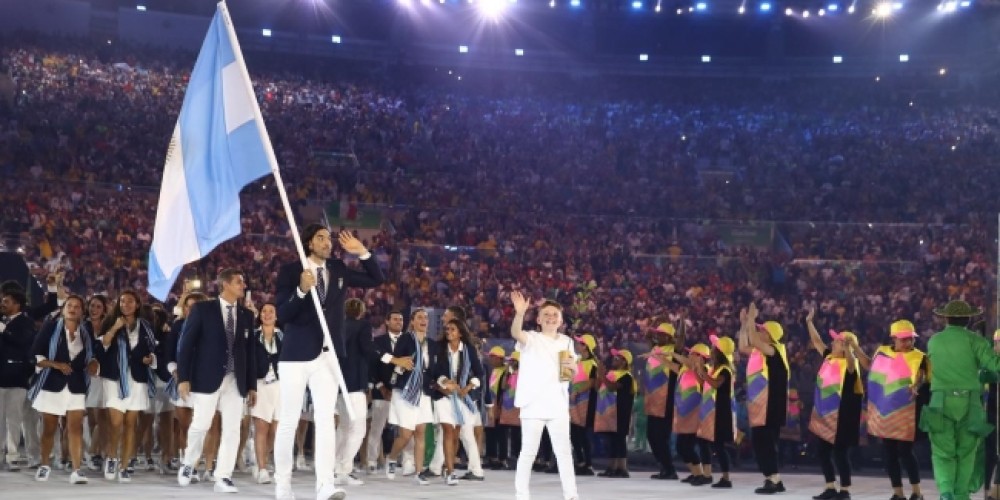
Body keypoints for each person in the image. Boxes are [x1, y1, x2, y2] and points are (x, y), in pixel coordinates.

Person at [273, 224, 384, 500]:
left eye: (328, 238)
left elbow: (376, 279)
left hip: (329, 355)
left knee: (326, 420)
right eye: (320, 238)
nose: (327, 242)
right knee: (288, 420)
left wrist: (363, 253)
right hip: (296, 355)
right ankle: (283, 486)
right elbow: (283, 314)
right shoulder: (291, 271)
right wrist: (300, 290)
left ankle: (325, 486)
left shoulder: (338, 268)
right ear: (309, 243)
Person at [175, 268, 258, 494]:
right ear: (225, 284)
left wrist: (251, 385)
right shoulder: (202, 309)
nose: (243, 285)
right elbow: (186, 345)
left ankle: (223, 476)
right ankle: (188, 464)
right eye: (239, 281)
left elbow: (249, 352)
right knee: (201, 424)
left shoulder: (247, 315)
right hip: (206, 377)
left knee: (232, 429)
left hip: (235, 379)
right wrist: (184, 378)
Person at [921, 300, 1000, 500]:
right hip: (970, 404)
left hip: (940, 402)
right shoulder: (976, 341)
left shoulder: (934, 341)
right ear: (968, 319)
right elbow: (996, 367)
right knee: (967, 454)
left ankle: (946, 492)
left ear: (946, 318)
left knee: (942, 452)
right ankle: (961, 495)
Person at [510, 291, 579, 500]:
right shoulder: (531, 338)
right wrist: (519, 314)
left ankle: (571, 495)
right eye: (546, 314)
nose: (551, 318)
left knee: (564, 453)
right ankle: (521, 496)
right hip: (533, 404)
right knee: (528, 452)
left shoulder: (567, 341)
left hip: (557, 404)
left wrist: (574, 368)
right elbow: (516, 333)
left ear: (561, 320)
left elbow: (571, 371)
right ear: (538, 319)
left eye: (555, 315)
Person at [28, 295, 99, 484]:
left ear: (82, 312)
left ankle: (77, 470)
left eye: (77, 306)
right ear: (63, 308)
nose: (73, 309)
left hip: (76, 385)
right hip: (51, 384)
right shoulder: (50, 327)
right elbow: (34, 354)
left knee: (75, 428)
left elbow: (92, 355)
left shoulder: (86, 332)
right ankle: (44, 465)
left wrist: (93, 363)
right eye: (69, 305)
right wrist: (56, 364)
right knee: (49, 429)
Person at [96, 290, 157, 483]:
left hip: (137, 378)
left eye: (130, 301)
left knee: (131, 423)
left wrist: (150, 359)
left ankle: (124, 465)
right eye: (122, 301)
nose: (125, 304)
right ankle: (112, 458)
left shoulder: (145, 326)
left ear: (137, 304)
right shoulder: (110, 321)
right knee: (115, 423)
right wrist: (115, 328)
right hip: (114, 378)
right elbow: (102, 346)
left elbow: (153, 350)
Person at [805, 312, 866, 500]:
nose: (832, 343)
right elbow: (817, 342)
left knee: (840, 453)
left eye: (837, 342)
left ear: (846, 345)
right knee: (822, 451)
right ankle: (830, 487)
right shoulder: (829, 358)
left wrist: (848, 348)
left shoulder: (851, 363)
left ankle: (845, 490)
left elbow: (849, 364)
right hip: (824, 414)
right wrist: (809, 322)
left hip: (842, 416)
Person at [867, 319, 928, 500]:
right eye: (903, 339)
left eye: (910, 339)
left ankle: (917, 492)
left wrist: (916, 385)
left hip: (907, 410)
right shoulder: (882, 353)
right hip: (885, 410)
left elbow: (921, 376)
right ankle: (898, 492)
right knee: (889, 453)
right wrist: (854, 347)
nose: (908, 342)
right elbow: (870, 368)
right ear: (893, 338)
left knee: (905, 452)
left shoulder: (919, 356)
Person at [739, 303, 790, 494]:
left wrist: (751, 319)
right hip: (760, 405)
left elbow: (752, 340)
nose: (759, 333)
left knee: (766, 443)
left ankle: (774, 478)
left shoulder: (775, 350)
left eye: (762, 331)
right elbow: (743, 346)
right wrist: (745, 323)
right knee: (761, 442)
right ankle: (771, 478)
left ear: (769, 335)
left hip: (770, 406)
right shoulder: (760, 351)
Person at [384, 309, 435, 485]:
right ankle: (391, 458)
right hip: (405, 391)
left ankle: (418, 472)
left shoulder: (432, 344)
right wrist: (400, 365)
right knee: (406, 434)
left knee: (420, 432)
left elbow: (433, 370)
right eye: (419, 317)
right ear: (412, 322)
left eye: (426, 318)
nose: (424, 320)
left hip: (423, 393)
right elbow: (395, 360)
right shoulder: (406, 339)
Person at [431, 318, 484, 486]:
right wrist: (445, 381)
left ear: (460, 332)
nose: (448, 332)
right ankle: (451, 472)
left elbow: (479, 372)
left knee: (456, 434)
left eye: (452, 329)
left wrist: (468, 387)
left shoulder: (468, 349)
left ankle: (448, 467)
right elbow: (433, 372)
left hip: (462, 397)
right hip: (444, 395)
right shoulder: (439, 348)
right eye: (447, 329)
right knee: (447, 429)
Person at [334, 298, 374, 487]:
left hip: (339, 384)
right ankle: (344, 469)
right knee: (358, 429)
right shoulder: (363, 326)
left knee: (343, 427)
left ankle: (334, 467)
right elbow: (367, 350)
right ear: (361, 311)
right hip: (356, 384)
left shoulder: (339, 326)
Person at [0, 288, 37, 472]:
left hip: (17, 378)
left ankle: (12, 456)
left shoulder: (26, 322)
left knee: (13, 419)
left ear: (17, 304)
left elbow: (24, 344)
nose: (2, 304)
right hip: (0, 377)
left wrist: (4, 330)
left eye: (6, 301)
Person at [695, 334, 737, 489]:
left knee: (719, 445)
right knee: (703, 441)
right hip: (710, 411)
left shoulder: (725, 370)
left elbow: (714, 384)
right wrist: (697, 369)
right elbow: (703, 383)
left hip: (720, 411)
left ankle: (726, 478)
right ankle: (707, 474)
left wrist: (702, 371)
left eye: (714, 348)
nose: (711, 350)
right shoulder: (715, 368)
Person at [643, 321, 684, 480]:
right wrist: (650, 330)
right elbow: (649, 340)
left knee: (661, 436)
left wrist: (682, 323)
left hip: (666, 398)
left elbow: (680, 341)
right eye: (657, 334)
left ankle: (669, 469)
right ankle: (663, 466)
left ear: (669, 337)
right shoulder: (655, 349)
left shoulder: (674, 351)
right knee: (651, 435)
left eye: (661, 334)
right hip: (652, 399)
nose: (657, 336)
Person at [367, 311, 404, 474]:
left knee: (405, 428)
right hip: (381, 392)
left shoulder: (408, 341)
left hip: (402, 392)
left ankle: (405, 461)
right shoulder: (377, 341)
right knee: (377, 428)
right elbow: (372, 366)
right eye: (395, 319)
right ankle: (371, 461)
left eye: (401, 319)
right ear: (387, 322)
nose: (399, 322)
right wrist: (381, 386)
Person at [251, 303, 283, 485]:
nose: (268, 314)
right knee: (261, 427)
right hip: (260, 384)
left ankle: (263, 459)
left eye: (271, 311)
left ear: (276, 315)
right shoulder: (253, 336)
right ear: (260, 315)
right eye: (264, 311)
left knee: (275, 430)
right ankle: (263, 468)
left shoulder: (284, 336)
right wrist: (250, 386)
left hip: (280, 385)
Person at [671, 343, 710, 483]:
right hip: (684, 415)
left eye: (692, 353)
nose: (689, 355)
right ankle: (696, 473)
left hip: (697, 415)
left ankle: (701, 474)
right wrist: (658, 356)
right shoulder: (685, 369)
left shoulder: (705, 369)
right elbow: (673, 366)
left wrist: (673, 353)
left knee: (688, 445)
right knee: (682, 446)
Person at [596, 348, 635, 478]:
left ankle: (622, 468)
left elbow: (612, 387)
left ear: (625, 362)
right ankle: (612, 467)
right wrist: (600, 376)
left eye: (617, 358)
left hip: (621, 412)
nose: (614, 359)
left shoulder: (626, 377)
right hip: (609, 412)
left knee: (619, 440)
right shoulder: (611, 374)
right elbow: (599, 387)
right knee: (611, 440)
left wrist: (602, 376)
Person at [569, 334, 599, 476]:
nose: (577, 345)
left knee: (583, 434)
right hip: (575, 400)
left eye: (580, 343)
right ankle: (580, 461)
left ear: (586, 346)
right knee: (574, 432)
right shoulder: (579, 360)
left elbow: (592, 382)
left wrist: (579, 391)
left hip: (586, 401)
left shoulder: (593, 363)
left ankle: (587, 463)